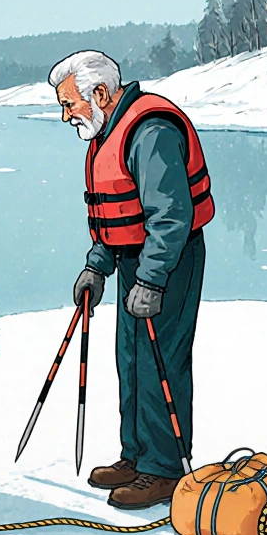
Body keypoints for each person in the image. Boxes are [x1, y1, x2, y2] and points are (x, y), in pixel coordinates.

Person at [48, 51, 214, 510]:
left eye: (68, 104)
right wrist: (97, 265)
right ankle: (137, 456)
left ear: (100, 93)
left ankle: (163, 469)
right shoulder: (106, 131)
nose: (66, 116)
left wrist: (154, 279)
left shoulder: (150, 131)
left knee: (160, 359)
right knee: (131, 357)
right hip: (131, 261)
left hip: (168, 259)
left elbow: (171, 215)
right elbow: (112, 213)